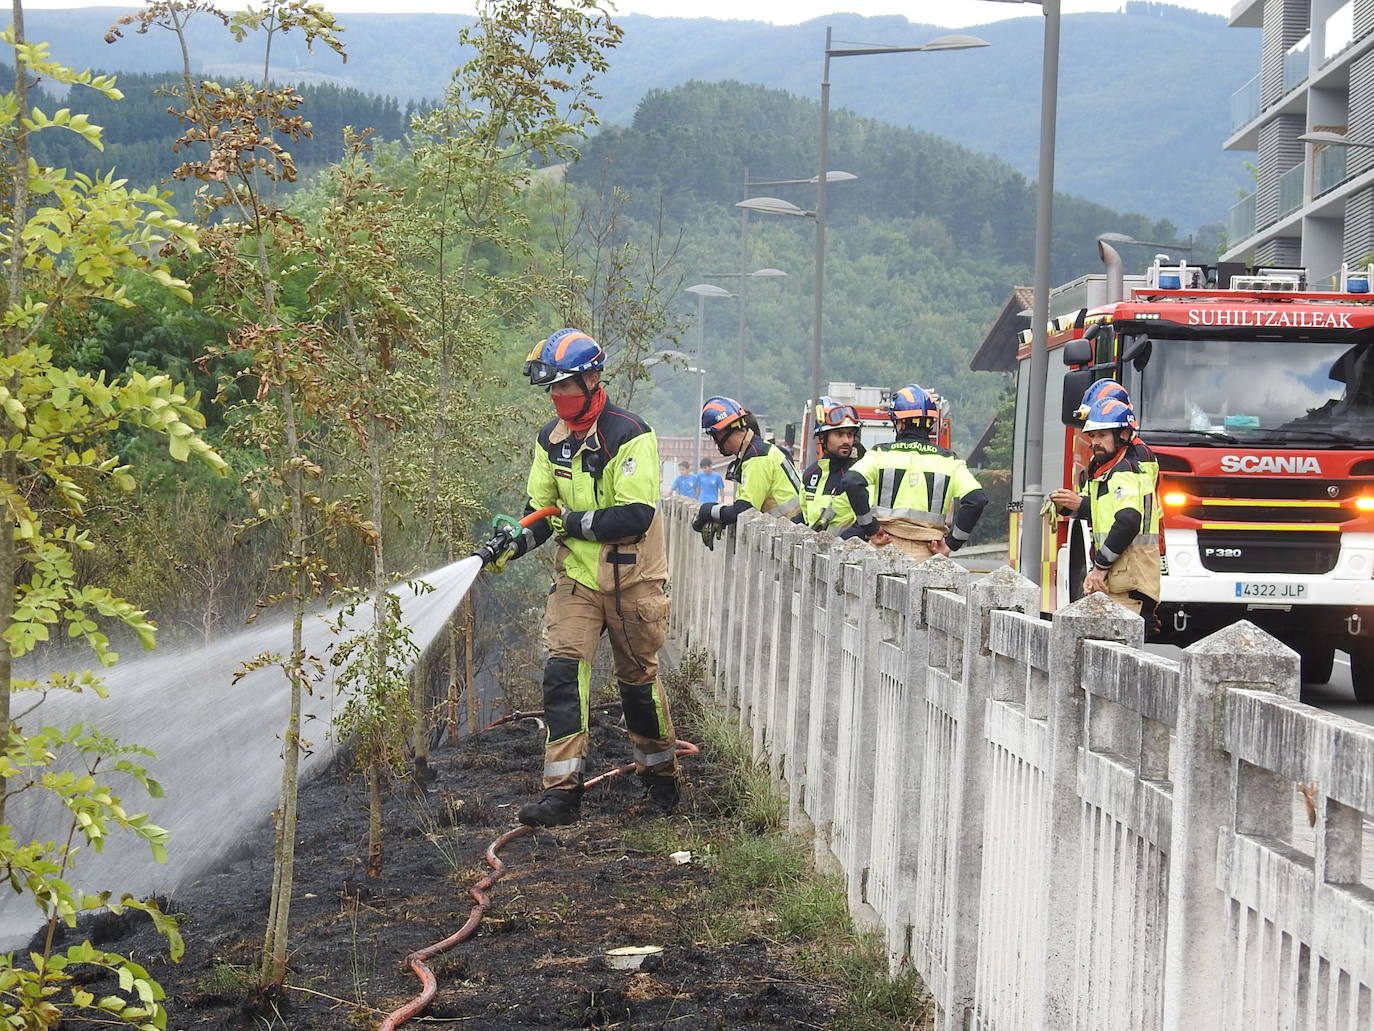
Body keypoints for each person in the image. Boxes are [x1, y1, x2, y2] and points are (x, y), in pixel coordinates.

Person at [475, 328, 679, 827]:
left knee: (637, 687)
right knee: (563, 676)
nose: (557, 397)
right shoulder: (551, 440)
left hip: (632, 583)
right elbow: (540, 512)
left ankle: (660, 779)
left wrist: (572, 523)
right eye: (552, 390)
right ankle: (561, 794)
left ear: (592, 380)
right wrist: (512, 543)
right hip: (577, 582)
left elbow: (634, 516)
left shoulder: (632, 435)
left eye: (565, 386)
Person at [839, 384, 988, 561]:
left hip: (885, 551)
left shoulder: (880, 454)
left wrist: (870, 529)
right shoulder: (950, 461)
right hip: (928, 555)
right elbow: (976, 500)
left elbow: (852, 482)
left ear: (900, 423)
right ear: (930, 424)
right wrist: (952, 543)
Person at [1049, 394, 1161, 623]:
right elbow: (1103, 514)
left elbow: (1128, 520)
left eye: (1102, 435)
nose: (1094, 442)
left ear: (1123, 435)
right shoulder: (1108, 471)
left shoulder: (1124, 471)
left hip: (1130, 583)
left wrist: (1099, 567)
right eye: (1092, 435)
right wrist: (1068, 508)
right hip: (1122, 581)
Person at [692, 396, 802, 537]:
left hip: (790, 533)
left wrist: (707, 511)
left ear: (720, 433)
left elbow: (744, 510)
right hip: (787, 532)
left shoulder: (757, 456)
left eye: (713, 436)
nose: (715, 443)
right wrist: (723, 518)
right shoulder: (757, 451)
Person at [796, 396, 865, 532]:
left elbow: (865, 524)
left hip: (846, 551)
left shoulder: (860, 474)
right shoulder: (810, 475)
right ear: (823, 437)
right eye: (839, 434)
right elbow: (805, 518)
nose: (846, 440)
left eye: (850, 434)